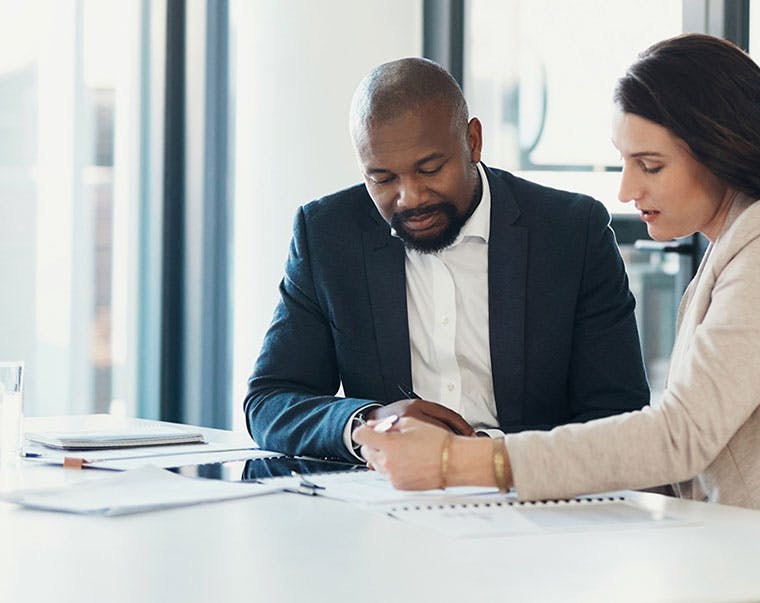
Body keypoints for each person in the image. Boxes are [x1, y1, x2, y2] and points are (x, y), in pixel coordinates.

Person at [353, 35, 760, 541]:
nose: (626, 190)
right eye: (624, 163)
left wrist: (460, 463)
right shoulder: (738, 252)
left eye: (650, 165)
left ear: (718, 151)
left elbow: (680, 437)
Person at [243, 57, 650, 463]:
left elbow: (618, 413)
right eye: (383, 179)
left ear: (472, 141)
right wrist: (369, 422)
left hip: (533, 494)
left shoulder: (571, 231)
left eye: (430, 169)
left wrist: (491, 461)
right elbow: (270, 401)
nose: (410, 197)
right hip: (384, 503)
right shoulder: (328, 234)